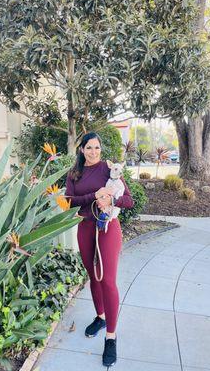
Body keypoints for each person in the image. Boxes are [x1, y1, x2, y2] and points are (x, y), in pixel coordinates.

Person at [65, 131, 134, 367]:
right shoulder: (74, 173)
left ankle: (111, 337)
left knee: (107, 280)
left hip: (108, 229)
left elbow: (129, 200)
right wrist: (92, 196)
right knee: (93, 278)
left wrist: (111, 201)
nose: (94, 152)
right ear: (81, 149)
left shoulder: (109, 168)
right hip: (85, 227)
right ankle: (101, 317)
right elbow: (68, 200)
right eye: (89, 148)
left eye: (97, 148)